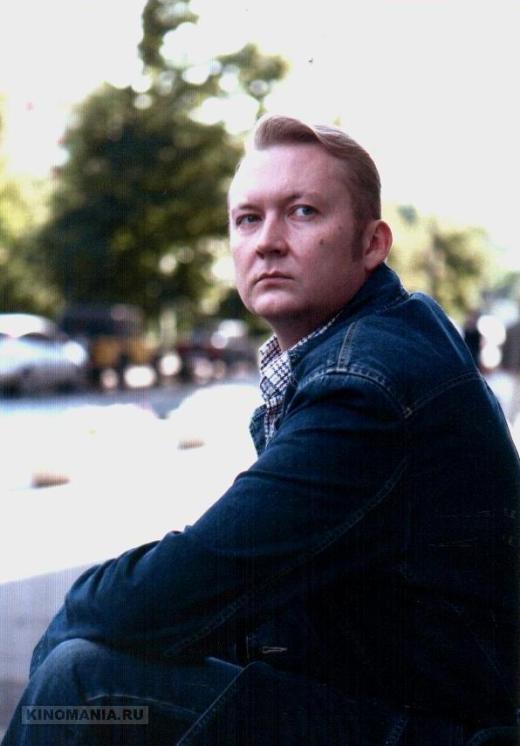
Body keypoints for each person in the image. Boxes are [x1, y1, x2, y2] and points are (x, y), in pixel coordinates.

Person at [3, 115, 519, 746]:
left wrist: (73, 619)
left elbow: (194, 579)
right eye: (247, 219)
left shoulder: (366, 386)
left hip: (447, 731)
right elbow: (258, 588)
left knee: (84, 684)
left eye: (302, 212)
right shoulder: (385, 332)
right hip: (398, 696)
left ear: (372, 244)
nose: (268, 241)